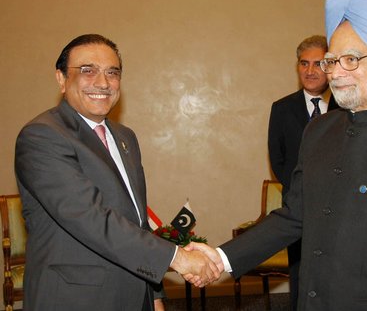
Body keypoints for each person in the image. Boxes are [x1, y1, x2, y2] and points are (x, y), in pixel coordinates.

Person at [187, 0, 367, 311]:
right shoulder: (318, 130)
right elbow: (294, 216)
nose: (335, 72)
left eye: (351, 59)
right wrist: (221, 257)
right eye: (332, 60)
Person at [14, 34, 219, 311]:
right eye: (87, 71)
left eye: (112, 73)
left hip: (135, 295)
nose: (102, 82)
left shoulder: (125, 138)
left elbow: (136, 222)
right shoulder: (43, 136)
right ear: (61, 79)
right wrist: (177, 258)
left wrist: (156, 297)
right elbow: (90, 218)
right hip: (75, 299)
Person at [267, 34, 338, 310]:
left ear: (330, 66)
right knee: (300, 271)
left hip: (339, 205)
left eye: (318, 64)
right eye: (304, 63)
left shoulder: (346, 107)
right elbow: (279, 159)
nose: (310, 71)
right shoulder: (282, 108)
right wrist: (303, 192)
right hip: (298, 206)